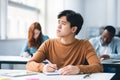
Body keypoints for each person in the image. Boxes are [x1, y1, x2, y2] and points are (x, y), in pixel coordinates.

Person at [26, 10, 103, 75]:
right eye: (58, 22)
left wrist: (79, 69)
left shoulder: (85, 45)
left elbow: (98, 67)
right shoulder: (48, 43)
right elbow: (29, 64)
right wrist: (43, 67)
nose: (58, 26)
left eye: (63, 23)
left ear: (73, 29)